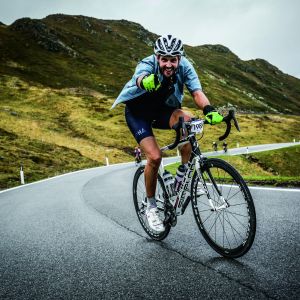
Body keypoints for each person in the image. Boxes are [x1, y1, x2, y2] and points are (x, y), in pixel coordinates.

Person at [112, 35, 223, 232]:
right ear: (157, 57)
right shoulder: (147, 64)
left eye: (173, 60)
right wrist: (145, 81)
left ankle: (180, 178)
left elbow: (197, 92)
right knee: (155, 157)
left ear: (179, 58)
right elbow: (138, 77)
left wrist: (209, 110)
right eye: (164, 59)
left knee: (188, 122)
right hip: (138, 114)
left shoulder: (186, 66)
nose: (169, 64)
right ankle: (151, 207)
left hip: (163, 111)